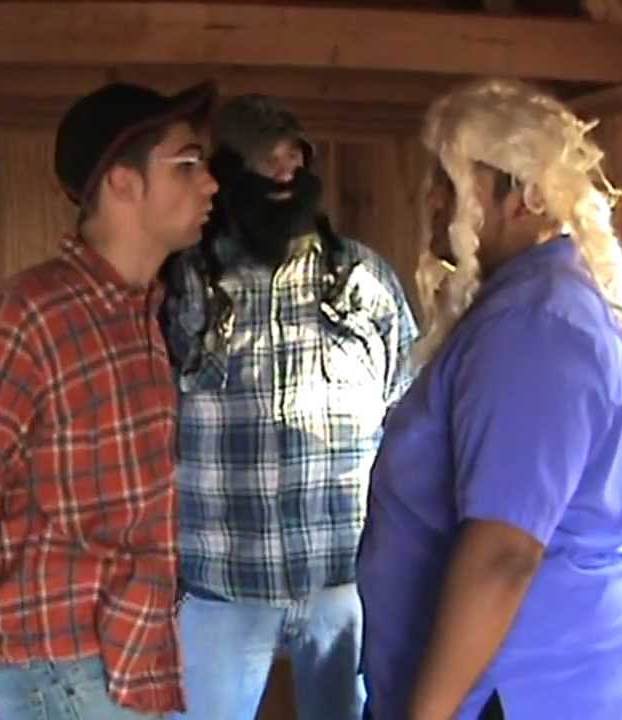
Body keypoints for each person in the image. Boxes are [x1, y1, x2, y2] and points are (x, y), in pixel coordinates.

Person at [0, 80, 220, 720]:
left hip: (127, 664)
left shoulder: (140, 314)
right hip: (64, 677)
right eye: (187, 164)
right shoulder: (29, 318)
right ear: (123, 182)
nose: (210, 183)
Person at [356, 77, 622, 720]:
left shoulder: (537, 325)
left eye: (452, 180)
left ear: (524, 197)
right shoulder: (536, 302)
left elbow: (504, 555)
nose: (433, 197)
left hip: (522, 693)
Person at [160, 93, 419, 720]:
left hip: (344, 583)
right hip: (220, 585)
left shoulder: (364, 279)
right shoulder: (183, 286)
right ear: (227, 173)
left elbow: (408, 414)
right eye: (262, 161)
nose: (282, 173)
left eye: (291, 158)